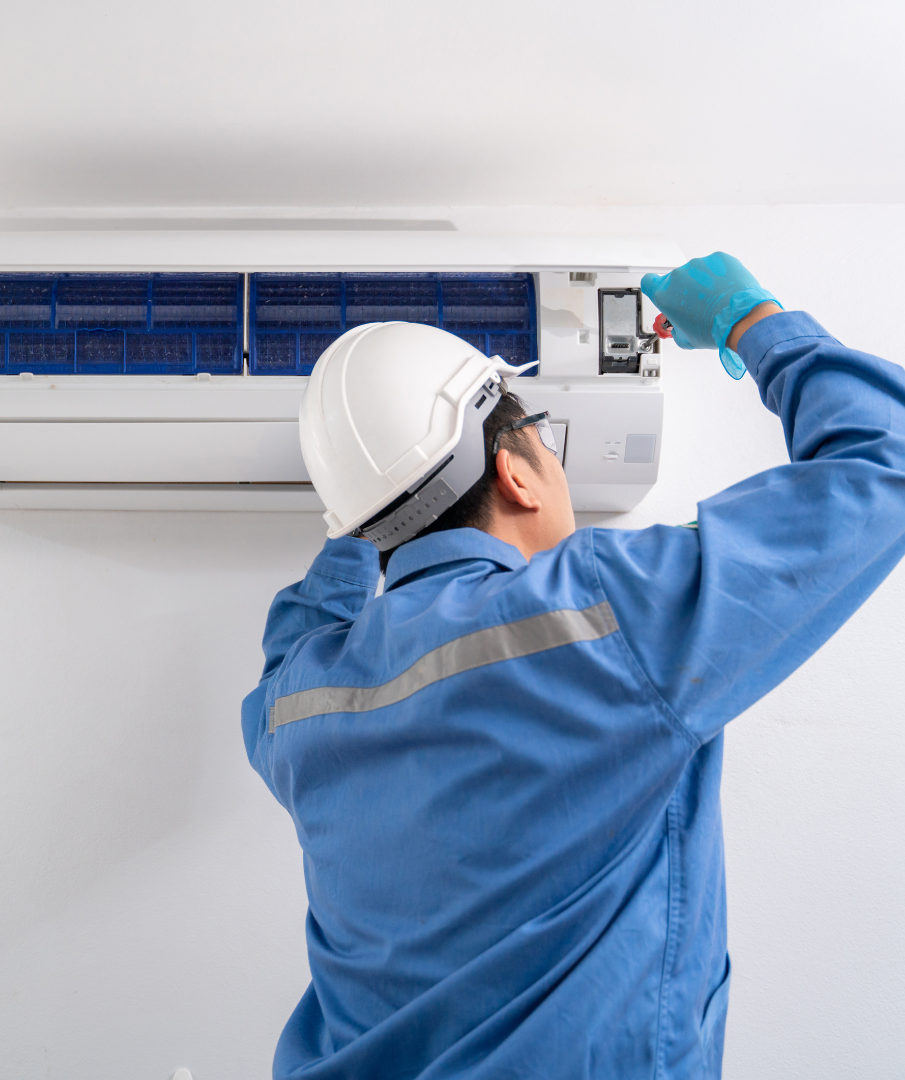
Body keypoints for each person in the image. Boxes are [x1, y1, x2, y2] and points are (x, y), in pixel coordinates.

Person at [240, 254, 905, 1079]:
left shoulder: (301, 706)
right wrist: (749, 320)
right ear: (517, 472)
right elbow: (887, 464)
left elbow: (295, 637)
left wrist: (363, 505)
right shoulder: (607, 612)